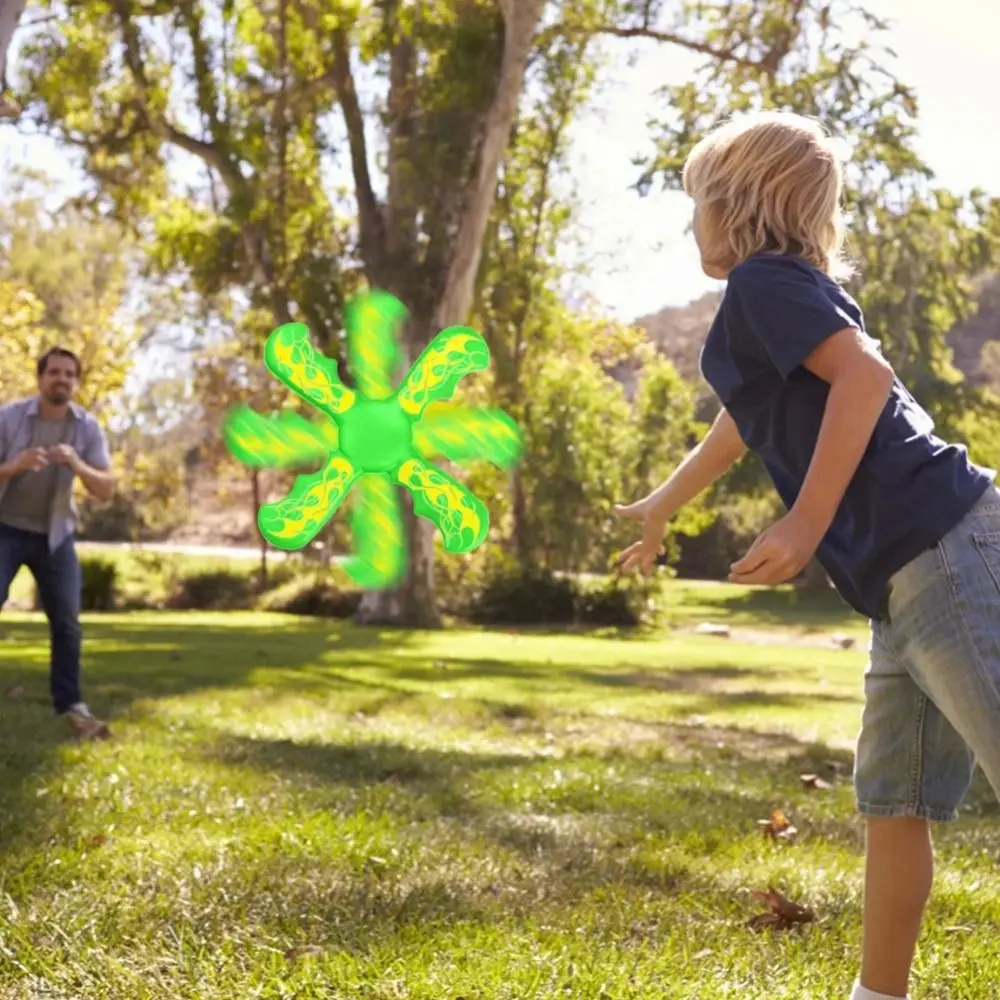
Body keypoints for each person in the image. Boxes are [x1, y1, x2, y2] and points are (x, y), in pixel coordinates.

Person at [616, 111, 1000, 1000]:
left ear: (738, 205)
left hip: (945, 548)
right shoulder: (778, 299)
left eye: (697, 205)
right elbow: (739, 424)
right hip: (902, 583)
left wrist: (804, 521)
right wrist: (664, 504)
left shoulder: (763, 283)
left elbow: (863, 380)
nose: (692, 228)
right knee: (893, 805)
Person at [0, 347, 117, 740]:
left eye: (69, 374)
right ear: (40, 379)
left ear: (77, 382)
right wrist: (13, 466)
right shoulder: (9, 418)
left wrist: (78, 465)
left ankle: (69, 702)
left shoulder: (87, 428)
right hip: (6, 528)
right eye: (54, 372)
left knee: (67, 621)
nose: (61, 379)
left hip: (55, 535)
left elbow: (106, 489)